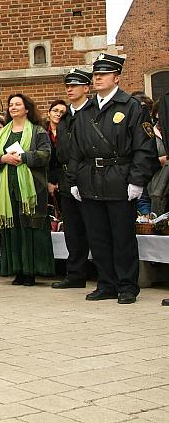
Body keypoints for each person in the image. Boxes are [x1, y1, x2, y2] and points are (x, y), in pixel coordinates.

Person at [67, 54, 158, 304]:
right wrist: (73, 180)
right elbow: (75, 148)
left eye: (103, 74)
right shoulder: (86, 110)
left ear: (116, 77)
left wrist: (137, 180)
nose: (97, 78)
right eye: (95, 74)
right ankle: (106, 283)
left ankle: (127, 285)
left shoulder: (131, 107)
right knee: (97, 236)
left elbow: (144, 148)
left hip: (119, 177)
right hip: (90, 178)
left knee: (123, 237)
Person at [0, 93, 54, 286]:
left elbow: (46, 154)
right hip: (7, 187)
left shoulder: (38, 131)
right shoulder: (1, 133)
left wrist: (24, 158)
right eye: (11, 105)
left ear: (26, 109)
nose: (13, 107)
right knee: (13, 227)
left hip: (32, 188)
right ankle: (17, 270)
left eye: (18, 104)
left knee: (30, 226)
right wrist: (3, 159)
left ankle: (32, 271)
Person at [52, 70, 93, 289]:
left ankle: (104, 275)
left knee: (95, 228)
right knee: (73, 230)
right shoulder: (65, 117)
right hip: (67, 178)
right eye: (67, 85)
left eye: (75, 85)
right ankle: (76, 274)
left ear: (87, 88)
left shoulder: (94, 112)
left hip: (88, 177)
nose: (70, 89)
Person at [46, 99, 67, 216]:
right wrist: (47, 182)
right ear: (49, 113)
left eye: (62, 112)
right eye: (55, 110)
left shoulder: (70, 132)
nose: (58, 114)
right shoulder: (40, 131)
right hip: (45, 178)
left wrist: (62, 183)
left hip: (64, 180)